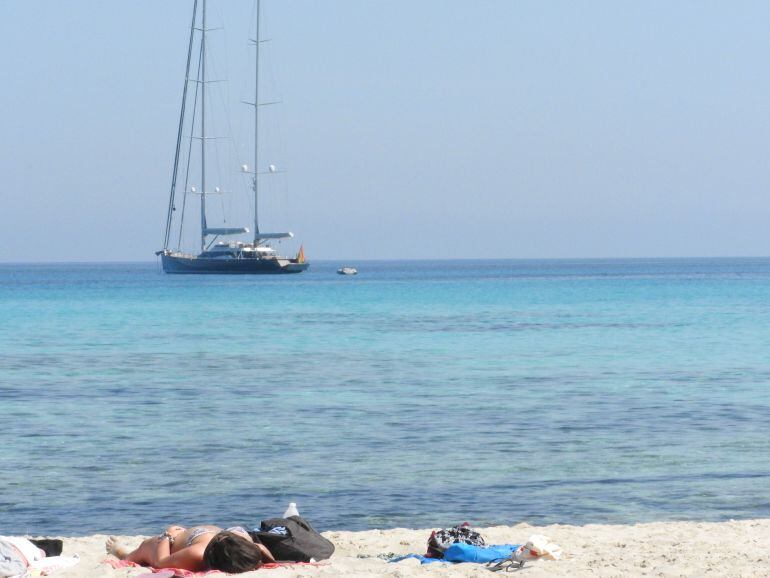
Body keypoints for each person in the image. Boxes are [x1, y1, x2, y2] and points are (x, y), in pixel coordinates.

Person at [106, 524, 275, 573]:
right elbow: (260, 548)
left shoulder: (198, 554)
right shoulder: (248, 546)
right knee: (141, 551)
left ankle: (125, 554)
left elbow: (160, 562)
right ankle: (125, 552)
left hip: (177, 541)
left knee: (146, 549)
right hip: (185, 539)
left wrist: (168, 535)